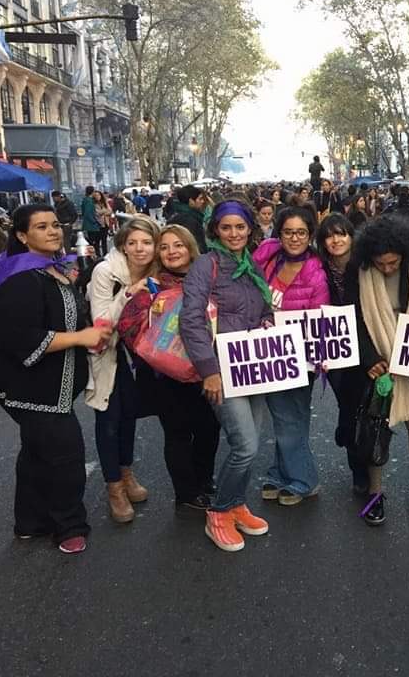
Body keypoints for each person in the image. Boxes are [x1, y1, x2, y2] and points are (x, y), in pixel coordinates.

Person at [0, 204, 111, 554]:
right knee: (65, 455)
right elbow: (21, 336)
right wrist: (81, 338)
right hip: (31, 387)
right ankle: (68, 526)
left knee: (37, 453)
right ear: (22, 236)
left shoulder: (52, 269)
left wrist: (88, 330)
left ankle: (30, 521)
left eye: (55, 225)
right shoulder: (22, 279)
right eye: (41, 227)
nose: (54, 231)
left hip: (50, 383)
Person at [179, 198, 273, 552]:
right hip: (222, 370)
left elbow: (264, 309)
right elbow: (192, 320)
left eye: (240, 227)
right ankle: (218, 512)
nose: (233, 233)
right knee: (245, 445)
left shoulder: (252, 265)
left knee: (251, 444)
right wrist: (209, 371)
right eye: (226, 227)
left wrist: (266, 322)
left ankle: (236, 503)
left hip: (256, 368)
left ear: (250, 229)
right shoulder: (207, 265)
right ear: (215, 230)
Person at [117, 224, 220, 512]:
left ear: (190, 247)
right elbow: (127, 327)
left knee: (209, 426)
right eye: (164, 247)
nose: (172, 251)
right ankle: (186, 493)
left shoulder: (210, 279)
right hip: (163, 375)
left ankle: (204, 479)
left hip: (205, 370)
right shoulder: (151, 285)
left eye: (178, 245)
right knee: (177, 432)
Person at [350, 215, 409, 525]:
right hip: (378, 360)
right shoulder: (357, 272)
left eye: (392, 263)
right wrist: (370, 357)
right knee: (376, 424)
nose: (386, 268)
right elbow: (354, 317)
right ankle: (375, 493)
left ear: (405, 254)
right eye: (380, 263)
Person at [253, 205, 329, 504]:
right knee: (283, 416)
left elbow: (320, 318)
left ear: (310, 235)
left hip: (301, 356)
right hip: (267, 352)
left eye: (301, 232)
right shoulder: (268, 256)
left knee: (290, 417)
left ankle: (303, 479)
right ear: (279, 233)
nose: (294, 238)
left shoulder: (315, 272)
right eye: (288, 232)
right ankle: (280, 472)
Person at [86, 216, 160, 523]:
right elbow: (102, 321)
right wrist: (130, 292)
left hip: (141, 354)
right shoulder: (106, 272)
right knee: (109, 417)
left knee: (129, 414)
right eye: (132, 243)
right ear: (123, 246)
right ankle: (114, 487)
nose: (140, 249)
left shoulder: (159, 270)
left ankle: (126, 474)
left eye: (146, 243)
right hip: (109, 352)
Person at [315, 213, 369, 494]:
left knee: (364, 409)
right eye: (329, 235)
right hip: (333, 349)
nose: (336, 240)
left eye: (341, 234)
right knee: (347, 406)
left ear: (351, 236)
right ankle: (356, 464)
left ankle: (364, 468)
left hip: (365, 348)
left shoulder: (365, 266)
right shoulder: (318, 269)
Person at [167, 184, 209, 253]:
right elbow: (196, 245)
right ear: (191, 201)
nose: (203, 201)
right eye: (200, 199)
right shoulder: (189, 220)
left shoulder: (180, 214)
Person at [80, 186, 104, 256]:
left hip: (88, 224)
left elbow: (84, 212)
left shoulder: (85, 200)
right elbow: (88, 213)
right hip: (92, 225)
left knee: (91, 241)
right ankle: (95, 255)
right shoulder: (89, 201)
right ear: (92, 192)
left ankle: (94, 255)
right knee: (94, 242)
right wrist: (94, 221)